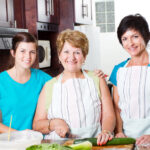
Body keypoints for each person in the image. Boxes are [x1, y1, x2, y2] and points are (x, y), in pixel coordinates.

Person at [33, 29, 115, 145]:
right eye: (66, 51)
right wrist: (53, 123)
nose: (71, 57)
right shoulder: (49, 86)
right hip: (60, 146)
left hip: (94, 145)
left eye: (77, 52)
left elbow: (108, 114)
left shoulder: (97, 79)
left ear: (84, 56)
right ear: (59, 56)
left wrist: (106, 131)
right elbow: (37, 124)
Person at [109, 14, 150, 145]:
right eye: (125, 38)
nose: (130, 43)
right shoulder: (119, 70)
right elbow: (117, 107)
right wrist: (119, 132)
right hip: (126, 138)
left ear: (146, 36)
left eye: (135, 37)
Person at [0, 32, 52, 133]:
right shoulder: (1, 81)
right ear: (13, 53)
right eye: (22, 51)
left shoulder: (43, 79)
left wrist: (89, 73)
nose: (28, 56)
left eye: (32, 52)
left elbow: (65, 83)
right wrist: (21, 136)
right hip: (12, 142)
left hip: (39, 142)